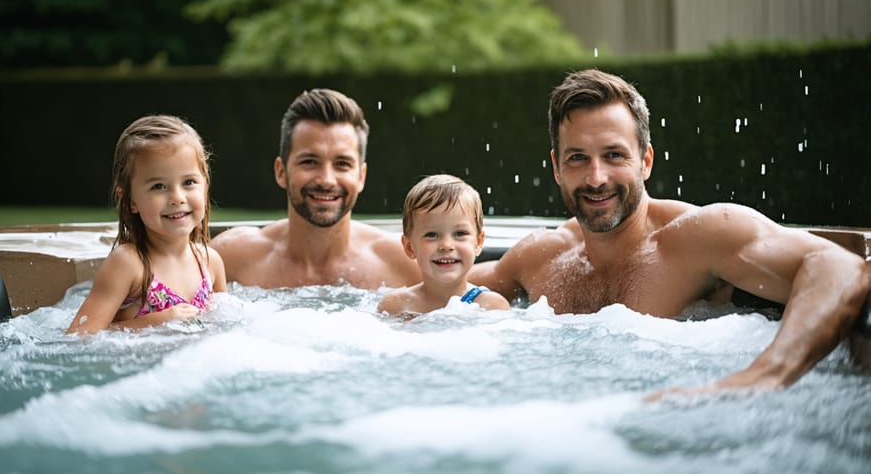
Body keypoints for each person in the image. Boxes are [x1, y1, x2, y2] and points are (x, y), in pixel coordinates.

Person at [470, 69, 869, 393]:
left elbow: (841, 266)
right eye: (578, 158)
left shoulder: (700, 235)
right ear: (556, 167)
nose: (596, 178)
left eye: (614, 155)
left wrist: (767, 374)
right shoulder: (542, 256)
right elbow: (435, 282)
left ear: (645, 161)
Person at [211, 88, 421, 289]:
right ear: (281, 171)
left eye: (342, 164)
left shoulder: (407, 265)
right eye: (310, 161)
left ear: (361, 177)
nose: (327, 180)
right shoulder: (230, 259)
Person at [67, 115, 226, 334]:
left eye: (189, 182)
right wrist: (157, 321)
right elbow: (79, 336)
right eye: (159, 186)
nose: (177, 197)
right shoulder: (128, 264)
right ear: (131, 200)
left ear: (205, 185)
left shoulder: (210, 262)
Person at [378, 174, 510, 315]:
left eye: (460, 234)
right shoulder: (395, 305)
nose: (446, 245)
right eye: (432, 235)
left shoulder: (492, 306)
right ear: (410, 247)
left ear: (478, 242)